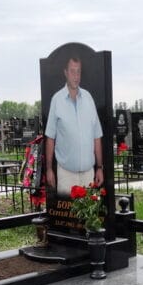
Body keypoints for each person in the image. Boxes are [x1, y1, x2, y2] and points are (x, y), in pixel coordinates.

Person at [45, 56, 103, 195]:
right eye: (72, 71)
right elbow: (50, 138)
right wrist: (49, 169)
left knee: (89, 210)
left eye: (78, 71)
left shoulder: (89, 98)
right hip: (66, 175)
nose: (76, 76)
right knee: (67, 210)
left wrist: (100, 167)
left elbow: (96, 136)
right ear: (65, 72)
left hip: (88, 175)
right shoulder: (57, 100)